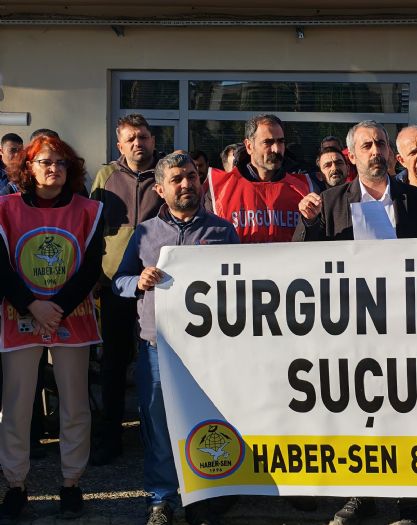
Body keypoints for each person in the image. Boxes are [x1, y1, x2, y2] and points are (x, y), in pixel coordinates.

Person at [294, 121, 417, 525]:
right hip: (351, 331)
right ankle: (362, 493)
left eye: (380, 144)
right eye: (366, 146)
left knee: (407, 412)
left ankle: (409, 499)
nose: (375, 151)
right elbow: (301, 262)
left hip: (406, 328)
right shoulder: (329, 202)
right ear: (351, 156)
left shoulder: (416, 201)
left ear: (391, 152)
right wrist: (309, 222)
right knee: (360, 412)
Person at [113, 152, 239, 525]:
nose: (187, 184)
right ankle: (162, 499)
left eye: (192, 176)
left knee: (209, 422)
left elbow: (242, 285)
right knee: (159, 426)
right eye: (177, 179)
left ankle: (204, 493)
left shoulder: (223, 231)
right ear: (160, 189)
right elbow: (119, 282)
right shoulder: (144, 233)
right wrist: (138, 281)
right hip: (158, 348)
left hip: (209, 348)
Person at [0, 135, 103, 520]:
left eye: (61, 163)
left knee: (75, 406)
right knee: (16, 405)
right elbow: (1, 267)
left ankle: (71, 483)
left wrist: (56, 308)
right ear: (28, 166)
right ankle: (15, 485)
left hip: (70, 317)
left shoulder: (88, 210)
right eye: (45, 161)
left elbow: (90, 268)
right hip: (20, 316)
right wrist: (32, 305)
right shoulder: (5, 208)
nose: (54, 169)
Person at [89, 113, 164, 465]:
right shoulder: (106, 176)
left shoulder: (164, 173)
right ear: (120, 145)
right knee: (114, 363)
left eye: (143, 137)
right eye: (131, 138)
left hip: (157, 287)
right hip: (115, 286)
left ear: (153, 140)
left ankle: (157, 436)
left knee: (156, 363)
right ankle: (111, 436)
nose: (138, 143)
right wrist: (94, 276)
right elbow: (92, 228)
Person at [207, 114, 313, 243]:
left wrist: (311, 222)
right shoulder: (220, 189)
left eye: (281, 141)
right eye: (268, 142)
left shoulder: (304, 188)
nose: (276, 149)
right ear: (249, 146)